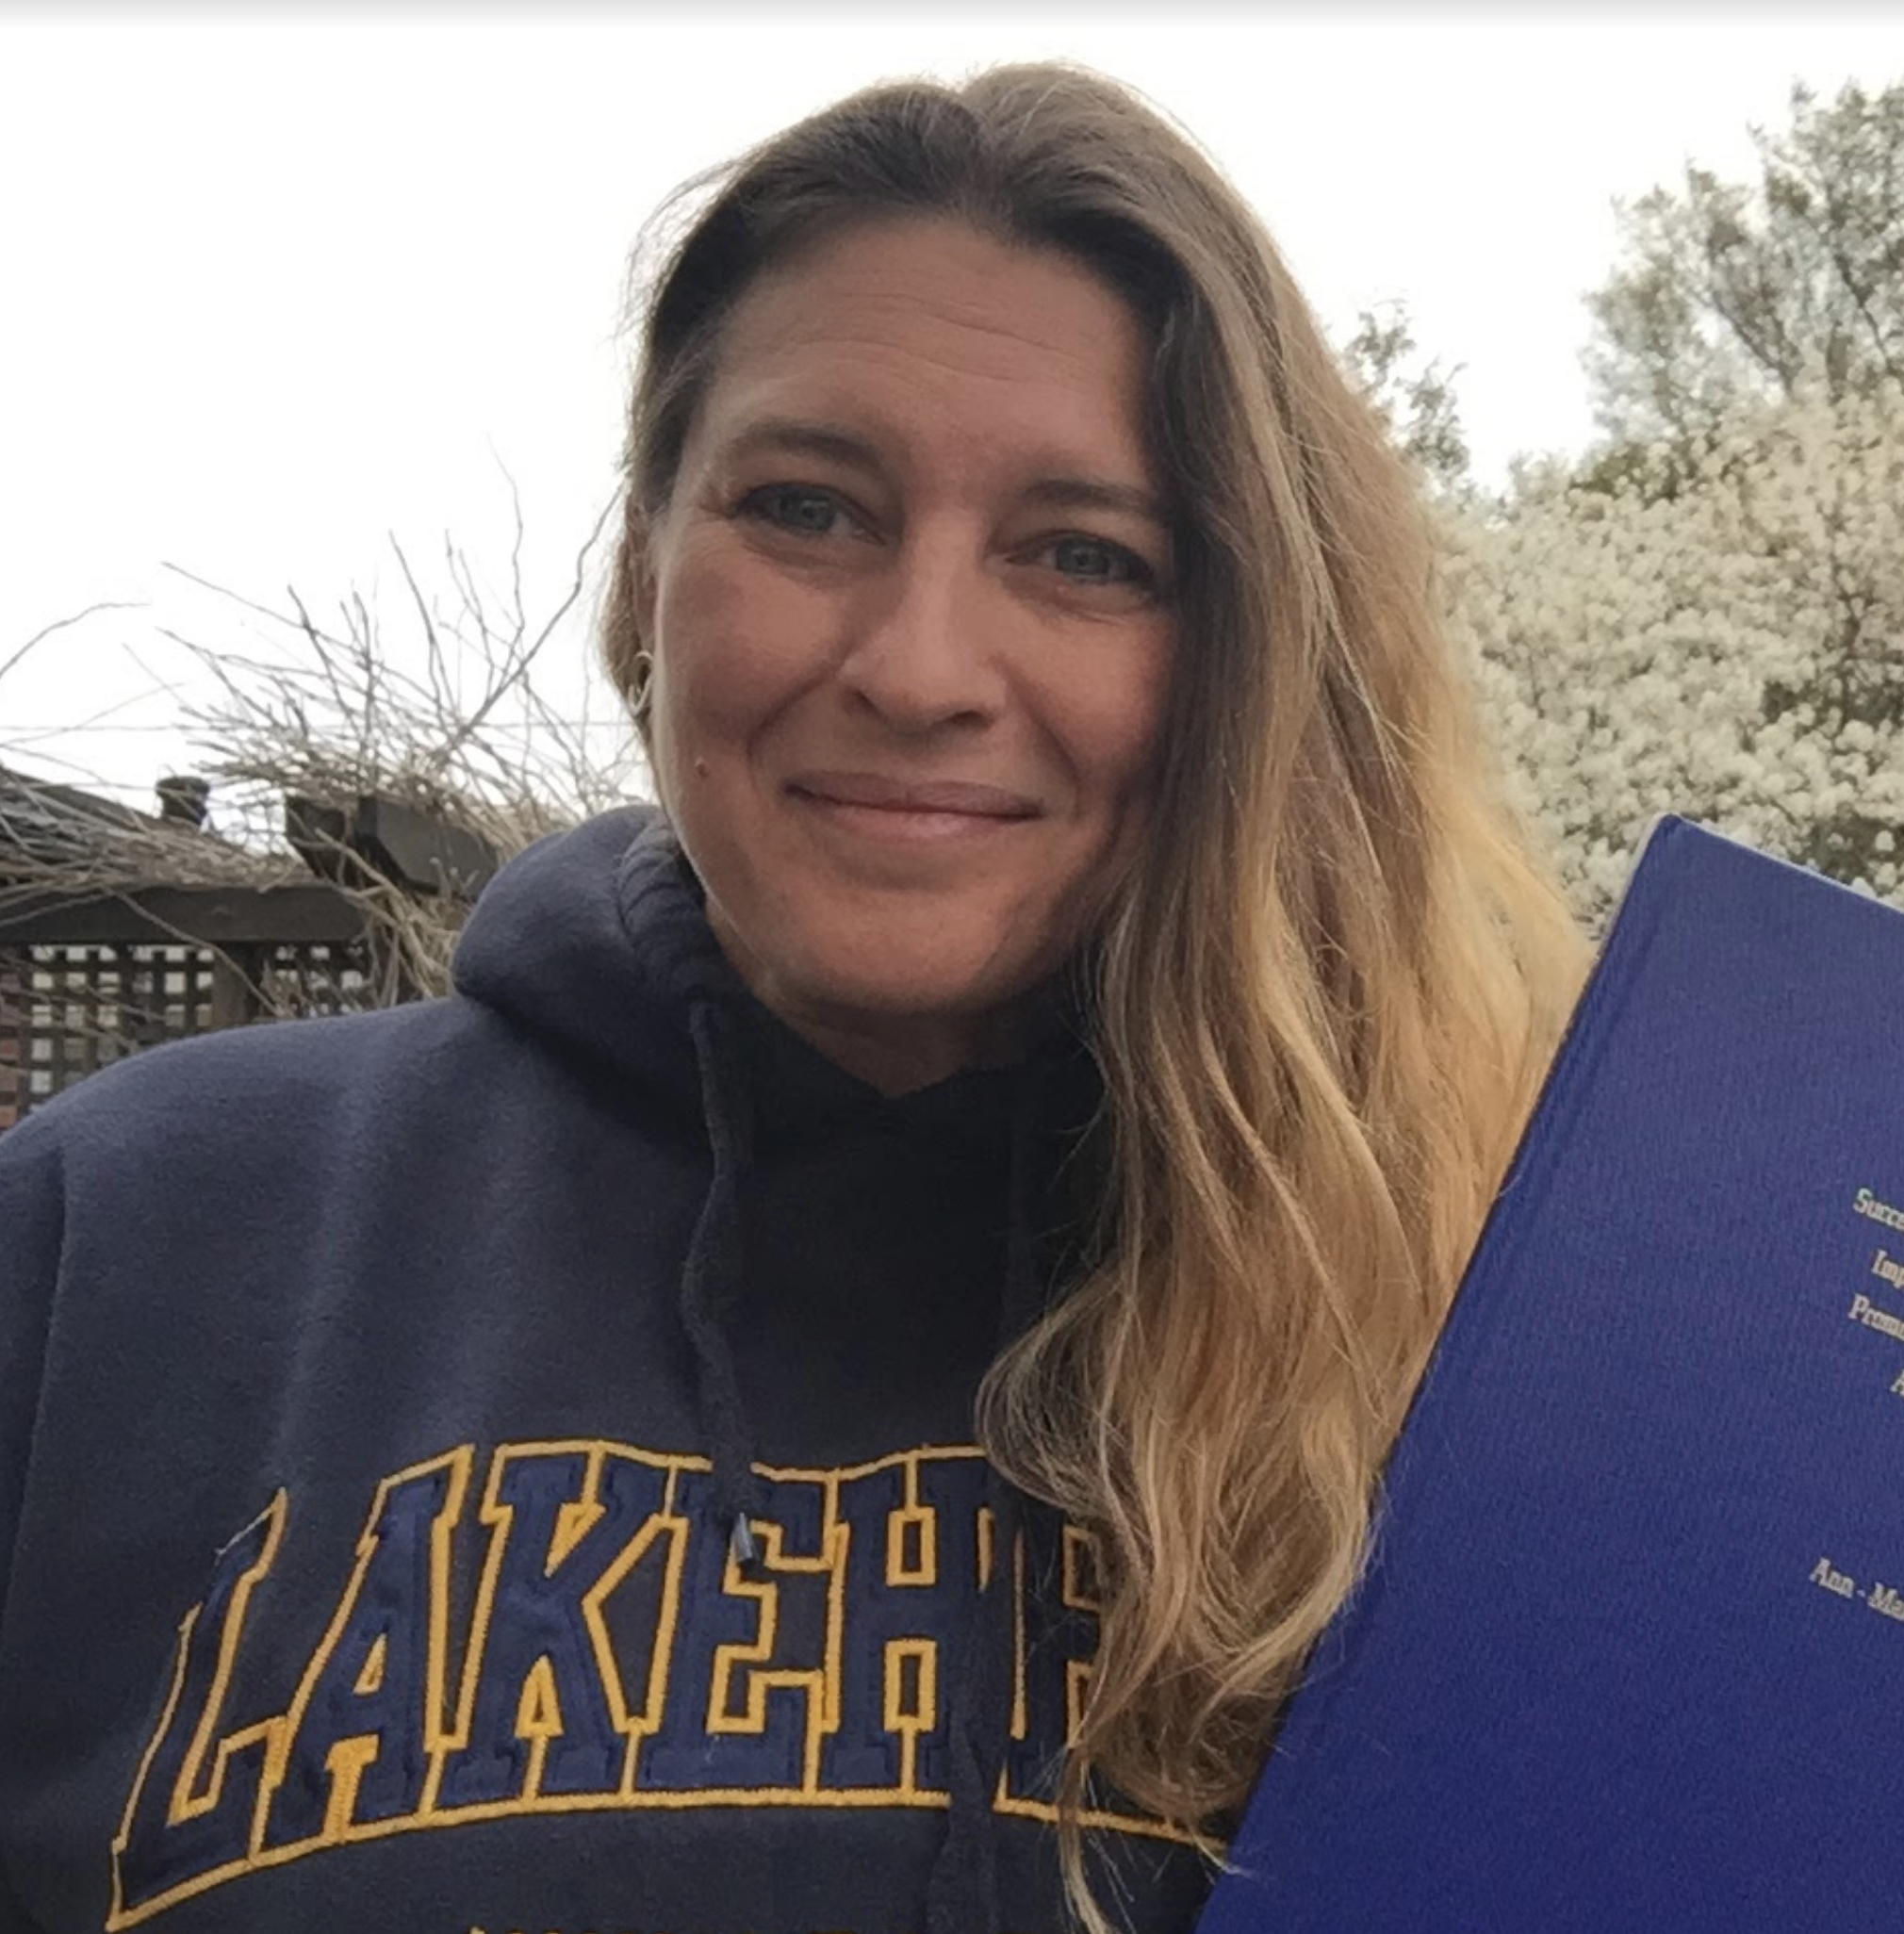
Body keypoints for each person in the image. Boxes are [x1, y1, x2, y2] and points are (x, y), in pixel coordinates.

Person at [0, 62, 1584, 1934]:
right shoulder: (128, 1239)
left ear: (1245, 650)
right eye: (809, 508)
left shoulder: (1489, 1306)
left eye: (1085, 555)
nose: (918, 668)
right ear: (642, 576)